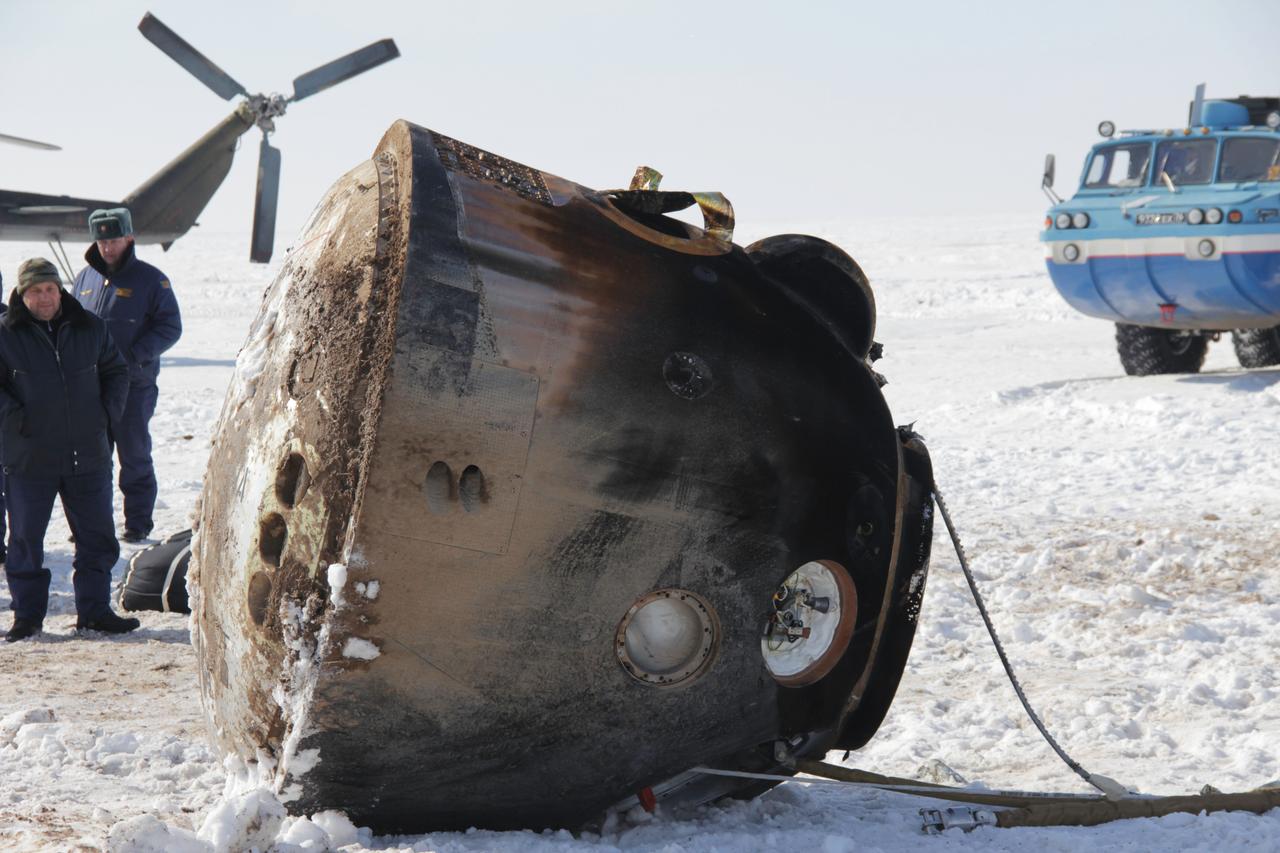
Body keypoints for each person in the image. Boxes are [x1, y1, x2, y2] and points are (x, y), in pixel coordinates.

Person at [1, 257, 135, 642]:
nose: (44, 297)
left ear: (60, 290)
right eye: (35, 291)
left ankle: (94, 612)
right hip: (30, 458)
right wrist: (17, 422)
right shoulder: (5, 335)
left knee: (98, 539)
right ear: (21, 294)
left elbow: (116, 370)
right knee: (26, 541)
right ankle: (27, 617)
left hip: (87, 455)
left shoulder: (89, 327)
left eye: (50, 289)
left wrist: (105, 417)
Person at [73, 208, 181, 543]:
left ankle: (138, 522)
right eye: (102, 240)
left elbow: (170, 327)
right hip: (92, 387)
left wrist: (133, 357)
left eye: (114, 239)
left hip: (133, 386)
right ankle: (92, 523)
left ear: (129, 238)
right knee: (92, 459)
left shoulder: (152, 280)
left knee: (133, 455)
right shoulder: (84, 279)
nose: (107, 247)